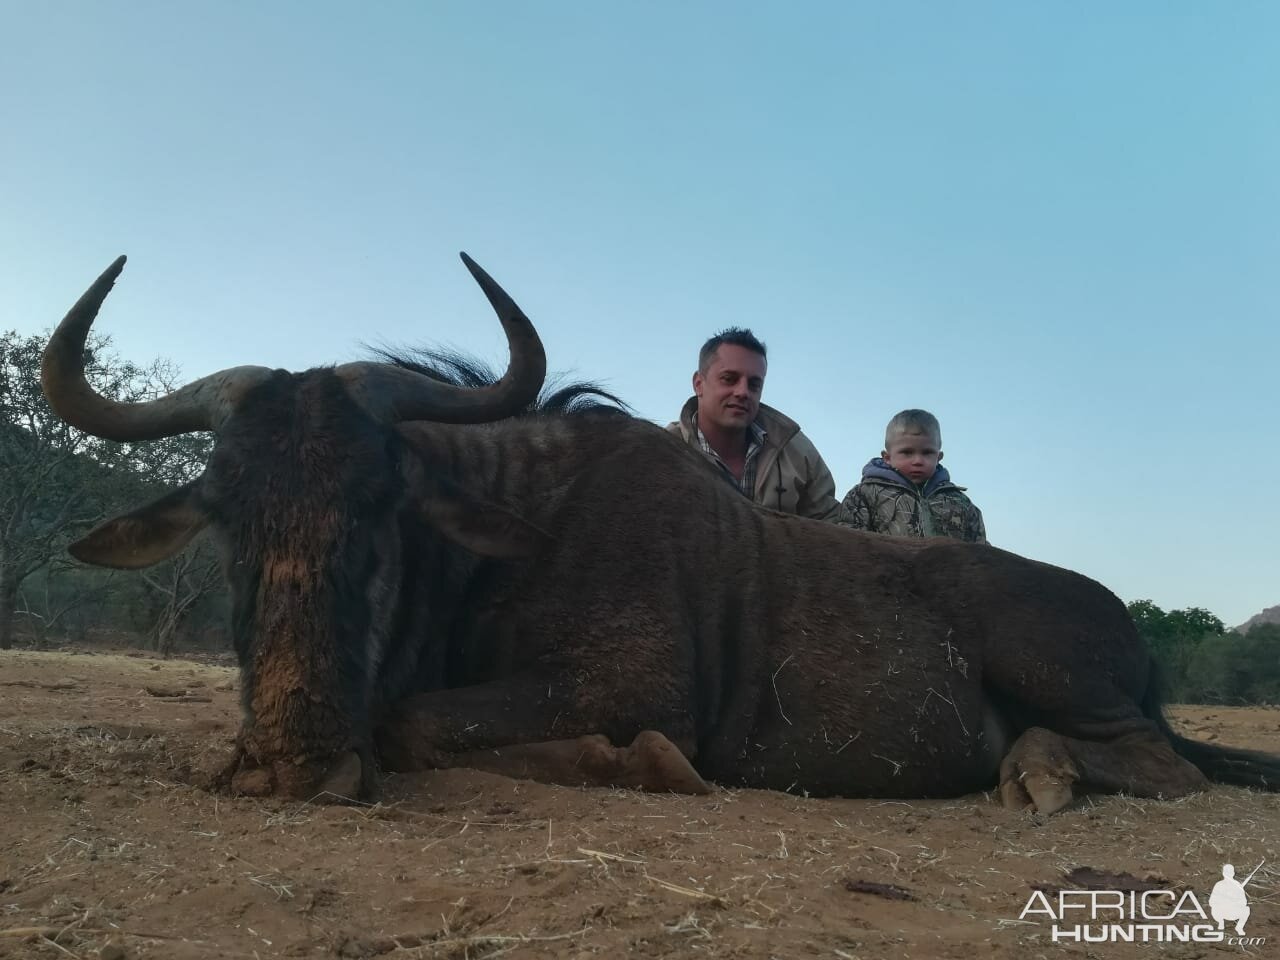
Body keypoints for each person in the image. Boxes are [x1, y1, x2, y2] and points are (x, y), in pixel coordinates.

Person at [668, 328, 839, 520]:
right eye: (729, 379)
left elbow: (831, 524)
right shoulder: (664, 452)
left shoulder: (796, 451)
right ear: (698, 383)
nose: (743, 392)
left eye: (754, 384)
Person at [836, 409, 986, 542]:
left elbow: (980, 553)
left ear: (939, 457)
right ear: (887, 458)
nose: (918, 461)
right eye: (907, 452)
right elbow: (849, 543)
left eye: (927, 453)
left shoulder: (961, 503)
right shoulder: (864, 495)